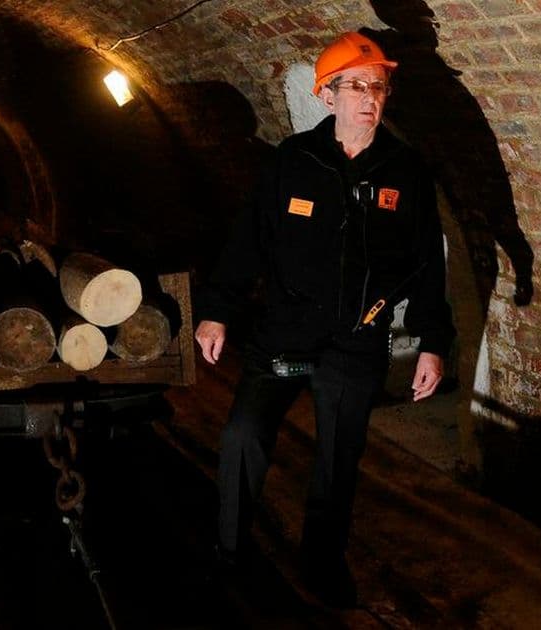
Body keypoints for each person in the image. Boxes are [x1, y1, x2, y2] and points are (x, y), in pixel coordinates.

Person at [194, 31, 455, 608]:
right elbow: (248, 241)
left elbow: (425, 264)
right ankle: (230, 554)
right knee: (242, 436)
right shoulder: (293, 161)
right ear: (327, 94)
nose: (370, 97)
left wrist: (435, 341)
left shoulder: (405, 171)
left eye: (378, 87)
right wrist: (217, 311)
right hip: (285, 333)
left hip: (355, 340)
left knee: (338, 458)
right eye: (356, 86)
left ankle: (322, 563)